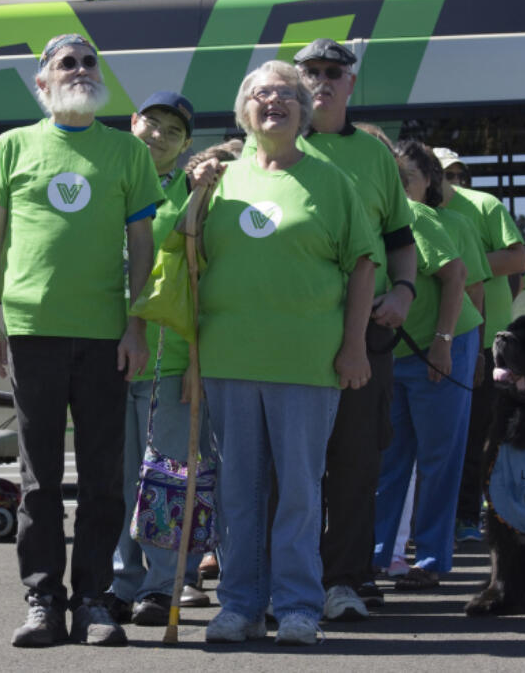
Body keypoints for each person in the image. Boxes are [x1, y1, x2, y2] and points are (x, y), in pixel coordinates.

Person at [0, 33, 163, 648]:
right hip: (32, 333)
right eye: (66, 64)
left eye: (87, 62)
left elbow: (142, 248)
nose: (79, 71)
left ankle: (94, 601)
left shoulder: (126, 153)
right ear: (43, 84)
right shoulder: (11, 147)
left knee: (105, 478)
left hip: (107, 335)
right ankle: (43, 600)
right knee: (39, 479)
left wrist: (136, 324)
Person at [198, 60, 378, 646]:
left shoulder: (331, 180)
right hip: (228, 361)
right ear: (242, 111)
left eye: (285, 95)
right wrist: (196, 189)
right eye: (259, 94)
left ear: (303, 111)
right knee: (238, 493)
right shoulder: (218, 177)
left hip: (307, 364)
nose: (272, 102)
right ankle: (240, 606)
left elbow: (363, 265)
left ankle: (298, 607)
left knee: (300, 491)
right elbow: (182, 252)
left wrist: (354, 346)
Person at [293, 39, 417, 621]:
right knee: (288, 466)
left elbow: (399, 240)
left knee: (354, 462)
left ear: (350, 82)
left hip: (364, 335)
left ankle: (345, 578)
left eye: (333, 72)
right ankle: (292, 579)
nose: (322, 80)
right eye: (311, 71)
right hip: (287, 335)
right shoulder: (271, 145)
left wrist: (405, 292)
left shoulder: (374, 156)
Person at [108, 91, 209, 626]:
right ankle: (121, 579)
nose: (159, 136)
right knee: (118, 479)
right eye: (152, 124)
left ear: (186, 144)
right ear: (133, 123)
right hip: (105, 351)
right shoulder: (108, 178)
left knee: (167, 477)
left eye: (173, 131)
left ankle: (164, 582)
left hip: (168, 358)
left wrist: (197, 361)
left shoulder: (194, 193)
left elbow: (202, 277)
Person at [373, 140, 488, 590]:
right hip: (397, 356)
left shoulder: (415, 216)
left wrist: (444, 345)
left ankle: (433, 559)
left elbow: (457, 276)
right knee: (390, 458)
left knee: (438, 459)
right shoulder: (370, 217)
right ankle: (382, 555)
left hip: (441, 347)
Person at [433, 148, 525, 543]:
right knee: (441, 438)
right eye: (446, 173)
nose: (454, 181)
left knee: (477, 435)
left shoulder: (484, 204)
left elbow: (518, 260)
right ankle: (438, 521)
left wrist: (458, 267)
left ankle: (468, 519)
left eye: (458, 173)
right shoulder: (411, 209)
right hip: (430, 338)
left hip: (484, 341)